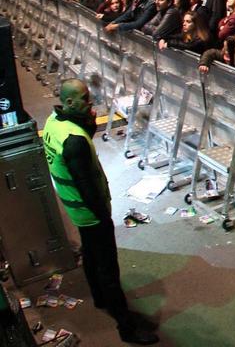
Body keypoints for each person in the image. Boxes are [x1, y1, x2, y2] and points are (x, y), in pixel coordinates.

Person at [43, 79, 159, 344]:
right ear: (70, 102)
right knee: (109, 270)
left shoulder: (54, 123)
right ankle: (127, 328)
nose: (91, 103)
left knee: (91, 256)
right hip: (90, 212)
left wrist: (89, 123)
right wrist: (103, 217)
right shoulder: (74, 142)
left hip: (75, 209)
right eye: (85, 99)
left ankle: (98, 298)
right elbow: (87, 185)